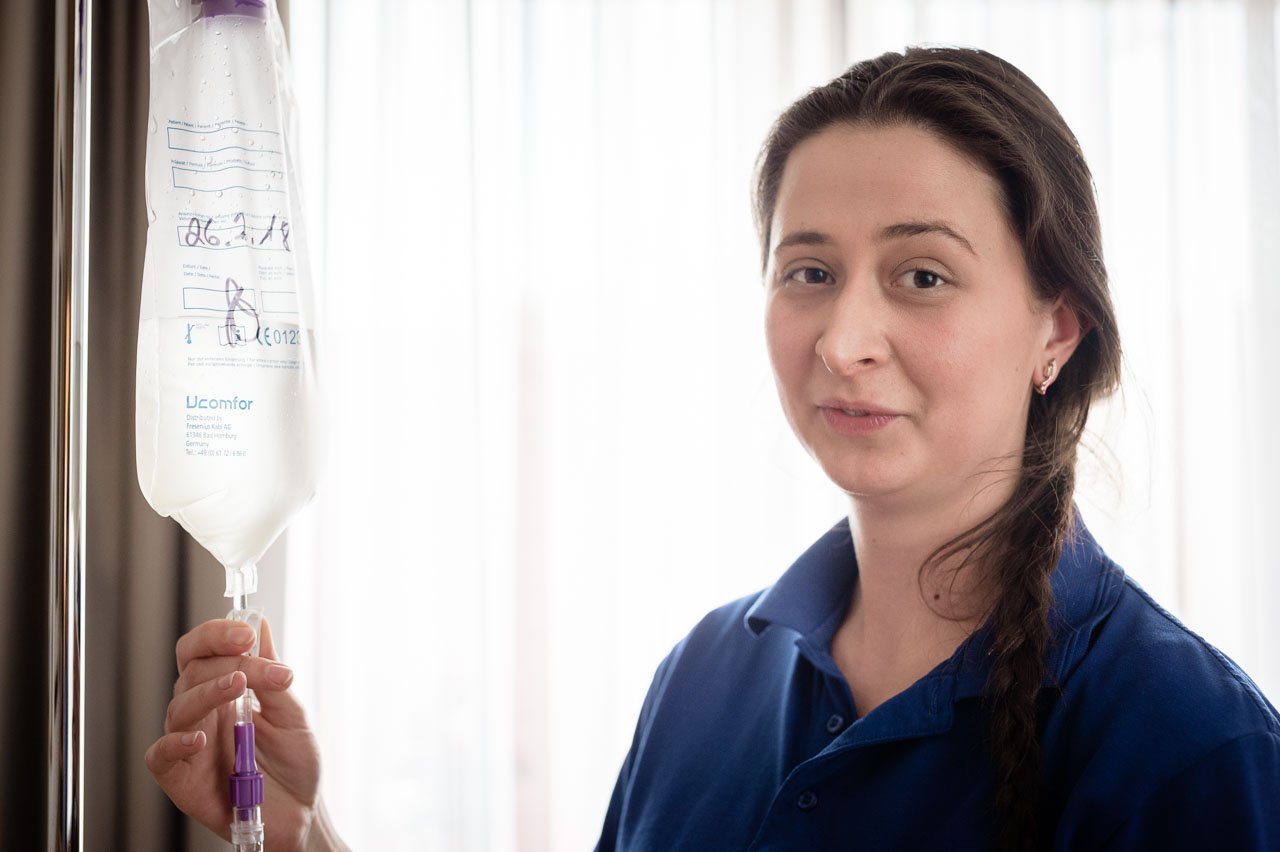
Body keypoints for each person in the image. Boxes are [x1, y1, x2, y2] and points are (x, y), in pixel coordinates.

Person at [148, 46, 1280, 851]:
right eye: (809, 271)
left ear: (1054, 329)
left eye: (920, 275)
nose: (843, 340)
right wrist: (301, 835)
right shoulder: (706, 677)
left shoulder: (1187, 746)